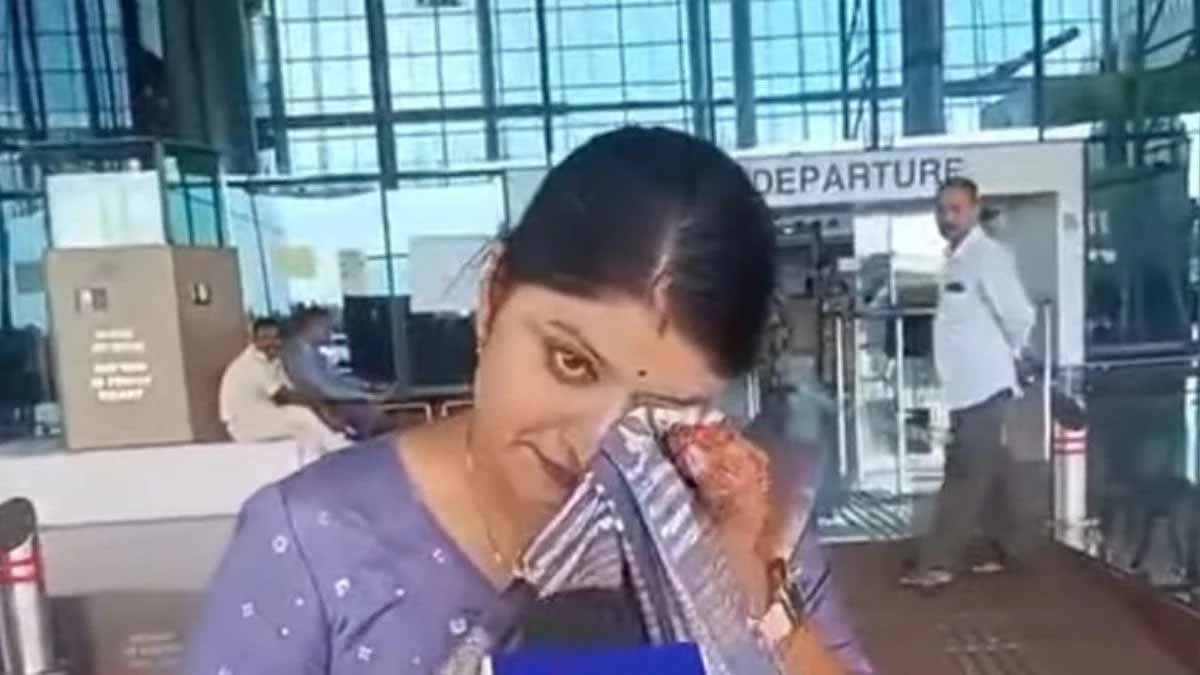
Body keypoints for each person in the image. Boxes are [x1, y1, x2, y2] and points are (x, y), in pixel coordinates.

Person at [185, 127, 872, 674]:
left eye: (657, 413)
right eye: (570, 362)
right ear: (492, 299)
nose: (592, 444)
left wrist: (752, 596)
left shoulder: (740, 522)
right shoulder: (314, 542)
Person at [900, 177, 1035, 591]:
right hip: (964, 387)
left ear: (976, 209)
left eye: (956, 209)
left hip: (985, 385)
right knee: (991, 467)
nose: (947, 217)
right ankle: (1012, 548)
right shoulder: (955, 259)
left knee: (964, 472)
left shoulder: (987, 256)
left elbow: (1019, 315)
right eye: (941, 210)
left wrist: (1009, 356)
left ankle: (939, 562)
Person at [218, 317, 351, 464]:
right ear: (253, 340)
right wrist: (320, 408)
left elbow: (290, 390)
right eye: (265, 338)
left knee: (305, 427)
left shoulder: (273, 360)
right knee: (302, 416)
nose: (271, 343)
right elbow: (282, 396)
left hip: (264, 414)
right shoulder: (251, 364)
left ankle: (316, 462)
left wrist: (319, 407)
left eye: (275, 338)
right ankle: (338, 449)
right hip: (245, 424)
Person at [282, 306, 395, 440]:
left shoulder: (311, 351)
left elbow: (335, 378)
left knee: (376, 414)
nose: (330, 332)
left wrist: (367, 386)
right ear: (311, 326)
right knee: (371, 414)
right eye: (326, 327)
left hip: (326, 400)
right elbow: (324, 388)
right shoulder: (298, 353)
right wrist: (367, 396)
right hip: (319, 404)